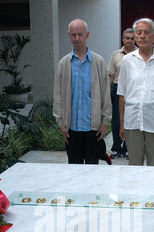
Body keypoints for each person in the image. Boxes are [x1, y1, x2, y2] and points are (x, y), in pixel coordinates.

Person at [117, 18, 154, 166]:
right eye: (139, 32)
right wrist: (122, 123)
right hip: (133, 121)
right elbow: (122, 94)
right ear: (135, 36)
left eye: (146, 32)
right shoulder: (127, 60)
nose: (142, 36)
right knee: (134, 166)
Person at [53, 19, 111, 164]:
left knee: (92, 172)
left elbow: (105, 94)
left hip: (93, 130)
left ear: (87, 35)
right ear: (69, 35)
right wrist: (60, 123)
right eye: (73, 35)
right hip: (71, 129)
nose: (77, 38)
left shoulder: (98, 62)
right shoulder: (63, 63)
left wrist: (104, 123)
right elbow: (58, 95)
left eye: (80, 34)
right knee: (74, 172)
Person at [107, 28, 137, 160]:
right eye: (127, 38)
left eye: (132, 38)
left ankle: (127, 148)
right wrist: (107, 93)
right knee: (116, 121)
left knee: (131, 120)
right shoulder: (116, 55)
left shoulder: (139, 54)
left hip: (134, 90)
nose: (129, 41)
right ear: (123, 39)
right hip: (118, 90)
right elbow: (110, 75)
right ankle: (116, 148)